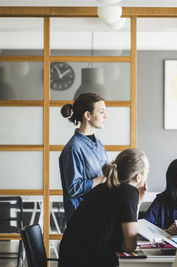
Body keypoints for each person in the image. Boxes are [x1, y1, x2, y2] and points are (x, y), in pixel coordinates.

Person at [58, 148, 149, 267]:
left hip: (70, 259)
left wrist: (138, 203)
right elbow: (130, 246)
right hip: (88, 261)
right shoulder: (128, 192)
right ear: (138, 177)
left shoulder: (103, 187)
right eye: (147, 171)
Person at [59, 93, 109, 226]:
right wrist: (101, 179)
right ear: (88, 115)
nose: (106, 117)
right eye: (102, 112)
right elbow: (73, 188)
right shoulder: (73, 148)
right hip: (82, 220)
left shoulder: (98, 143)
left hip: (99, 213)